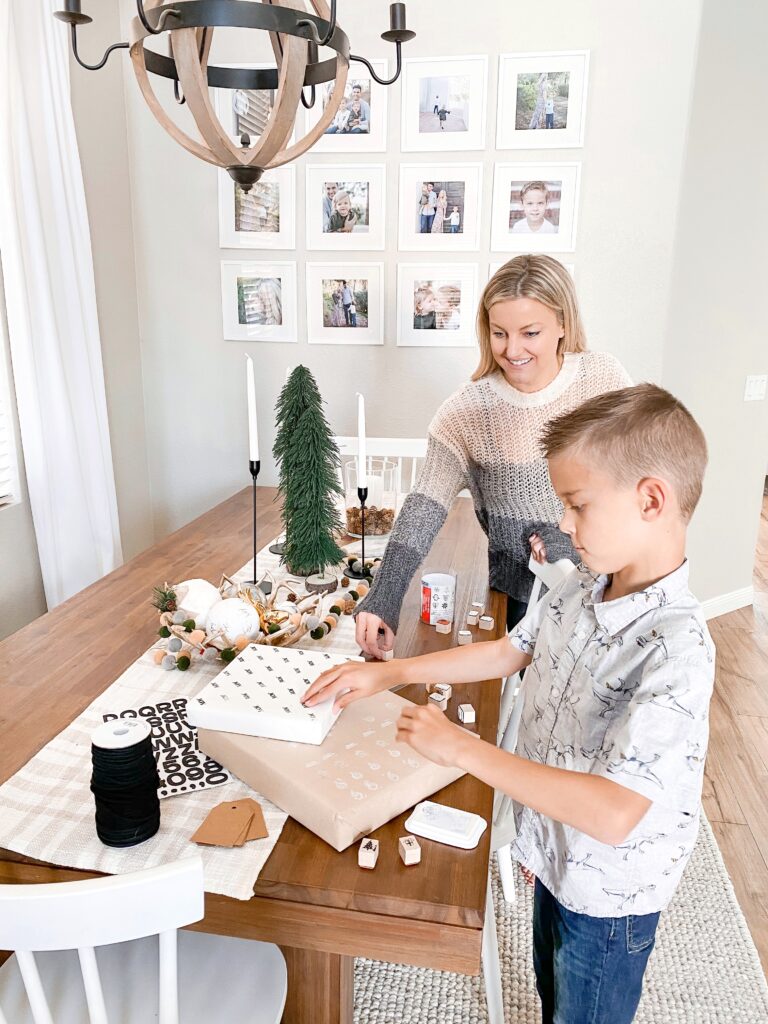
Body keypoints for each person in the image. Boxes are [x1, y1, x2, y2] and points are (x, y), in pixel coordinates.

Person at [303, 383, 714, 1024]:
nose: (564, 525)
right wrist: (391, 674)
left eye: (577, 506)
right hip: (553, 854)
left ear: (651, 500)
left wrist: (463, 748)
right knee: (553, 992)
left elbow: (612, 814)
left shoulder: (678, 648)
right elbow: (509, 651)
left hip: (609, 895)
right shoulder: (583, 582)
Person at [353, 255, 631, 657]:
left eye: (530, 332)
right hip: (521, 595)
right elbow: (424, 506)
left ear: (563, 324)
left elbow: (635, 482)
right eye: (499, 333)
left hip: (613, 587)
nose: (512, 349)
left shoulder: (603, 381)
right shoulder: (466, 412)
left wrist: (574, 539)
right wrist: (385, 595)